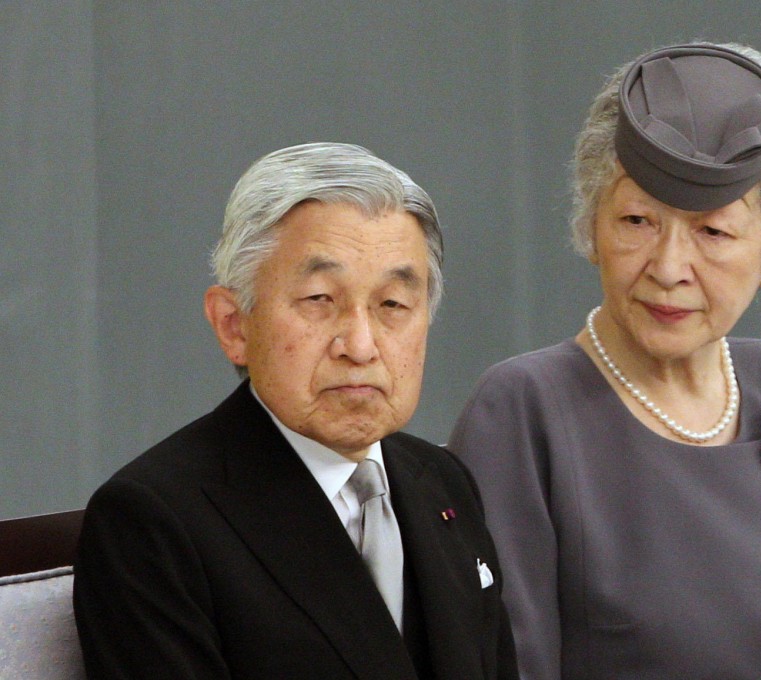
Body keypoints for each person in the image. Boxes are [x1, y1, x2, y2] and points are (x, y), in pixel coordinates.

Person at [448, 43, 761, 679]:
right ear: (590, 222)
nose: (667, 269)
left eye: (712, 232)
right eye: (637, 220)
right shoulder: (523, 413)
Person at [74, 142, 518, 679]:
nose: (360, 344)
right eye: (319, 300)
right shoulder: (153, 523)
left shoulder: (443, 483)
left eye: (393, 305)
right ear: (234, 325)